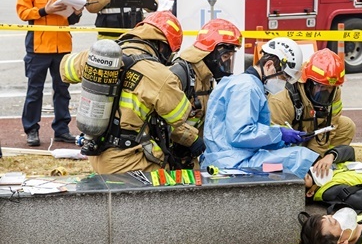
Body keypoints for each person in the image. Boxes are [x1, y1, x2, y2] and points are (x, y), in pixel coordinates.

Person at [60, 11, 204, 174]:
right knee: (173, 177)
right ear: (162, 47)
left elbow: (65, 70)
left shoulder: (104, 55)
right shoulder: (159, 75)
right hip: (129, 162)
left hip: (97, 152)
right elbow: (179, 116)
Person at [200, 37, 320, 178]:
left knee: (294, 154)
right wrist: (279, 134)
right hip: (234, 163)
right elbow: (240, 134)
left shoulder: (245, 83)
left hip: (233, 157)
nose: (283, 84)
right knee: (300, 156)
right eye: (283, 78)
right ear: (269, 65)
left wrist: (282, 139)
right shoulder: (247, 87)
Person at [16, 0, 83, 147]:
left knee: (62, 90)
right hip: (38, 47)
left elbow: (69, 20)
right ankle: (31, 130)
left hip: (62, 46)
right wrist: (46, 10)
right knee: (35, 90)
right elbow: (23, 13)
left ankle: (62, 129)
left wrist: (77, 13)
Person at [169, 18, 242, 165]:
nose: (227, 64)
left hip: (188, 158)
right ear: (211, 53)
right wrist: (193, 139)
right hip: (168, 158)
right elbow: (164, 119)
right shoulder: (178, 75)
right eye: (225, 57)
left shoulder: (206, 77)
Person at [268, 48, 356, 156]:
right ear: (307, 82)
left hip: (312, 134)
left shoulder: (334, 91)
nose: (326, 92)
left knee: (346, 126)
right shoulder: (281, 99)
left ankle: (325, 160)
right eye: (321, 87)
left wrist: (315, 156)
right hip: (289, 143)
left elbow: (330, 125)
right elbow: (274, 139)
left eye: (330, 88)